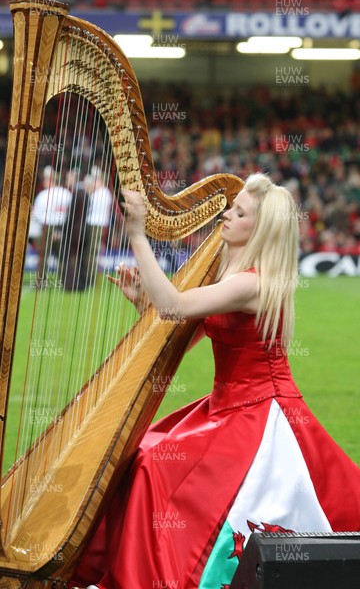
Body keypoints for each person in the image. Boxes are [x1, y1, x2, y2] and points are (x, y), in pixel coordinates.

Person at [71, 173, 360, 589]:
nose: (227, 213)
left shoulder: (253, 283)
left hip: (260, 413)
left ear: (258, 230)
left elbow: (174, 307)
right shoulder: (232, 276)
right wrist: (142, 305)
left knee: (154, 466)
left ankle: (151, 577)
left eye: (239, 212)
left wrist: (136, 233)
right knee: (143, 451)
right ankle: (139, 570)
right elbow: (178, 339)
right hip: (225, 408)